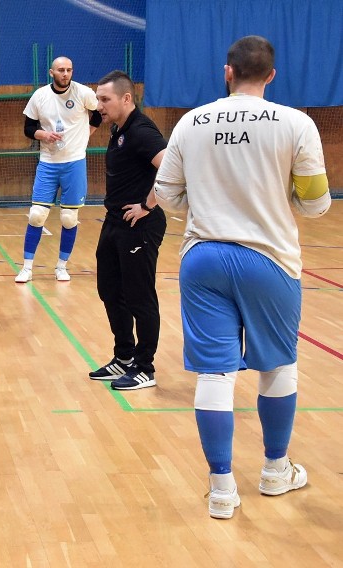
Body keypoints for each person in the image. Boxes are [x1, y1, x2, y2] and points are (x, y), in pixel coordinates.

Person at [154, 35, 330, 520]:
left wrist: (209, 204)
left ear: (227, 71)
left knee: (215, 373)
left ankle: (221, 491)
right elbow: (316, 204)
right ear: (271, 75)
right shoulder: (297, 124)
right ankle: (275, 471)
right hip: (270, 260)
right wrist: (280, 201)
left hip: (203, 258)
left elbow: (166, 195)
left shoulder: (192, 121)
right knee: (277, 366)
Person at [89, 70, 167, 391]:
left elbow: (173, 168)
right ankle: (123, 356)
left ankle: (144, 367)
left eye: (105, 99)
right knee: (109, 289)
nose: (99, 105)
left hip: (140, 224)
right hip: (114, 221)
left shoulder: (142, 130)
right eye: (97, 99)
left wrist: (148, 205)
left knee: (139, 296)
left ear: (126, 99)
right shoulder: (118, 128)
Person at [15, 56, 101, 283]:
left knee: (69, 217)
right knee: (36, 215)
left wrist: (85, 135)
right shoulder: (40, 96)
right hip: (48, 161)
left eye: (69, 70)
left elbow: (100, 114)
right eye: (61, 70)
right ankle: (27, 267)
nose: (66, 74)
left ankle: (61, 266)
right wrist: (43, 135)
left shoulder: (84, 93)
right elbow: (28, 127)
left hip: (74, 163)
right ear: (51, 72)